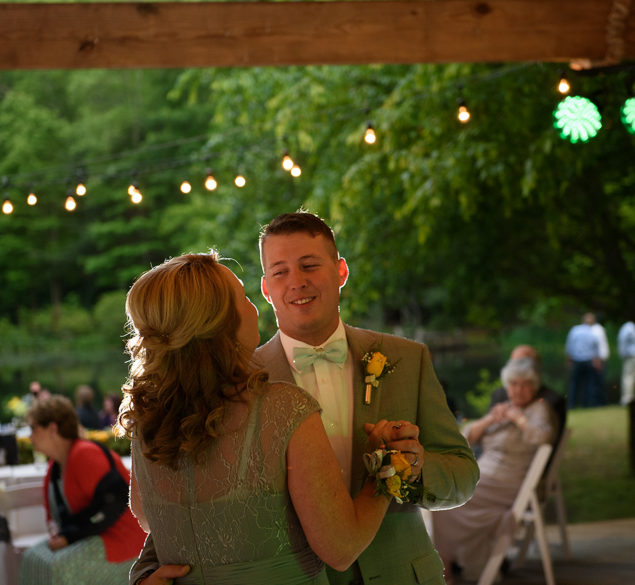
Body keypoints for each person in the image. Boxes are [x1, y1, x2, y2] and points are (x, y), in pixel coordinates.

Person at [130, 212, 479, 585]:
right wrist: (146, 573)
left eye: (309, 265)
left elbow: (463, 475)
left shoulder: (408, 359)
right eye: (280, 272)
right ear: (265, 289)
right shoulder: (229, 387)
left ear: (341, 271)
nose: (297, 282)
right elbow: (191, 507)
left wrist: (414, 468)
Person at [122, 252, 395, 585]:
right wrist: (384, 469)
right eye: (244, 297)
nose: (255, 308)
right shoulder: (284, 409)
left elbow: (147, 518)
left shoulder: (146, 422)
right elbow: (341, 548)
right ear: (222, 325)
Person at [431, 359, 558, 583]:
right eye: (513, 384)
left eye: (524, 384)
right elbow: (464, 437)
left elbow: (543, 437)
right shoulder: (506, 408)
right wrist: (491, 417)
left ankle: (445, 573)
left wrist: (518, 418)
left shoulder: (539, 409)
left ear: (535, 385)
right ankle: (450, 569)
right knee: (439, 498)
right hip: (484, 476)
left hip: (508, 482)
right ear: (507, 386)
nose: (518, 389)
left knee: (440, 503)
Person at [19, 395, 146, 585]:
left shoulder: (84, 454)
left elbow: (116, 500)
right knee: (32, 558)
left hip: (123, 540)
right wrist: (57, 531)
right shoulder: (55, 467)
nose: (29, 437)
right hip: (93, 536)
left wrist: (69, 536)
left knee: (60, 567)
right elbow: (54, 515)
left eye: (33, 429)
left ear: (52, 428)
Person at [489, 345, 566, 439]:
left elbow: (546, 438)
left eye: (523, 364)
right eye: (514, 364)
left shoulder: (550, 401)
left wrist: (518, 418)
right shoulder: (500, 394)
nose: (518, 390)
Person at [564, 314, 601, 408]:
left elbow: (569, 346)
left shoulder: (575, 330)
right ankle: (587, 405)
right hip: (589, 361)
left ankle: (572, 404)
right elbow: (596, 349)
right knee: (588, 384)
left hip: (577, 360)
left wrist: (569, 360)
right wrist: (597, 361)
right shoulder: (592, 332)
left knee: (575, 384)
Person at [589, 313, 609, 406]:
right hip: (599, 359)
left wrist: (598, 360)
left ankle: (597, 403)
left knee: (596, 382)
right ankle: (598, 403)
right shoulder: (599, 329)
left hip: (598, 359)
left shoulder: (595, 330)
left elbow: (597, 347)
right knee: (597, 382)